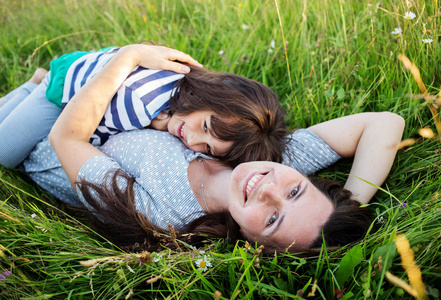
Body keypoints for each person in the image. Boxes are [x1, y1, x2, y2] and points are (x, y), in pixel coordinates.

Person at [1, 45, 405, 252]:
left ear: (251, 243)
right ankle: (38, 85)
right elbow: (386, 122)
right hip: (96, 103)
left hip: (44, 138)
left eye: (271, 220)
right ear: (307, 178)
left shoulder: (164, 214)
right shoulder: (277, 162)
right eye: (295, 191)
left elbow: (65, 140)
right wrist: (352, 202)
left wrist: (127, 58)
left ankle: (34, 87)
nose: (267, 191)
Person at [0, 45, 287, 169]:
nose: (193, 140)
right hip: (65, 86)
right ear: (215, 97)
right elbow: (84, 134)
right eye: (207, 127)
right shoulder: (140, 104)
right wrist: (151, 122)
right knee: (6, 151)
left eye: (209, 149)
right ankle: (35, 84)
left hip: (90, 65)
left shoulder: (185, 87)